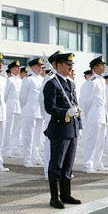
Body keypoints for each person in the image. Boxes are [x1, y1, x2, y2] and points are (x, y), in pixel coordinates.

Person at [43, 53, 82, 209]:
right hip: (59, 129)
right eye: (67, 64)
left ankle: (66, 194)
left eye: (71, 64)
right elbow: (49, 107)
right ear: (58, 66)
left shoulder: (71, 84)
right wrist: (65, 113)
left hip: (71, 129)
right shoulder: (52, 84)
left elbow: (74, 103)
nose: (70, 67)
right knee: (56, 165)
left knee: (68, 164)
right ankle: (54, 197)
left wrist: (78, 123)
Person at [79, 56, 108, 173]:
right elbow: (85, 102)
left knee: (100, 141)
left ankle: (97, 162)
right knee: (91, 141)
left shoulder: (102, 80)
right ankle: (88, 164)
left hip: (101, 115)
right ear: (95, 67)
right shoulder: (91, 82)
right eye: (101, 65)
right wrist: (87, 116)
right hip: (93, 115)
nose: (104, 67)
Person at [40, 51, 62, 180]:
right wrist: (46, 116)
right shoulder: (49, 78)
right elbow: (41, 99)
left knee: (59, 145)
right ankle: (48, 171)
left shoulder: (61, 78)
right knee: (50, 144)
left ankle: (57, 170)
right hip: (51, 115)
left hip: (61, 116)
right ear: (54, 64)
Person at [20, 58, 44, 167]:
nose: (40, 68)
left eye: (41, 66)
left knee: (38, 136)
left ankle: (35, 156)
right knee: (28, 136)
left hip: (39, 111)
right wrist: (25, 108)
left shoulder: (42, 79)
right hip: (29, 110)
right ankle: (27, 158)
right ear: (32, 67)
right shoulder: (28, 79)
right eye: (38, 66)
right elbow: (22, 97)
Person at [3, 60, 22, 158]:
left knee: (17, 130)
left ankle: (15, 148)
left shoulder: (20, 80)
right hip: (10, 106)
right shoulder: (9, 80)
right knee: (8, 129)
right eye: (16, 68)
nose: (18, 69)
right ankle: (6, 149)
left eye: (19, 68)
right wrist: (6, 105)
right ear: (11, 69)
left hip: (18, 107)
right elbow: (5, 95)